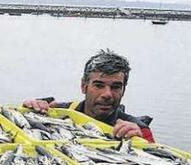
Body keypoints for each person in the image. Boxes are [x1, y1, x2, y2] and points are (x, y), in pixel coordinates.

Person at [23, 49, 155, 142]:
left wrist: (140, 142)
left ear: (124, 90)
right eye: (99, 85)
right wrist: (33, 107)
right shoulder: (61, 111)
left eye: (115, 87)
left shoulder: (140, 130)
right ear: (84, 86)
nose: (107, 94)